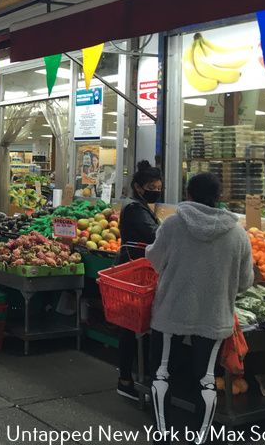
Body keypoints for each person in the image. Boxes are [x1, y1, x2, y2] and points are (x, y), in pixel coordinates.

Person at [146, 173, 253, 443]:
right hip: (214, 315)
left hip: (171, 310)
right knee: (206, 378)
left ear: (188, 194)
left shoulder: (173, 225)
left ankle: (162, 434)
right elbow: (245, 282)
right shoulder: (238, 233)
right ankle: (200, 438)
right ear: (219, 197)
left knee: (162, 373)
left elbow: (155, 260)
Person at [116, 160, 163, 401]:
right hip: (133, 275)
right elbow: (155, 236)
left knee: (133, 327)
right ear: (138, 186)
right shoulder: (135, 209)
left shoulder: (140, 206)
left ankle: (132, 377)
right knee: (131, 327)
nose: (156, 190)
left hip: (137, 273)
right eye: (151, 187)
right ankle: (126, 380)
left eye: (159, 186)